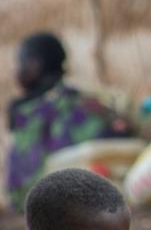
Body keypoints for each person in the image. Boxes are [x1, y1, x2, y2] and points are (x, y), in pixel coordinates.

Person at [6, 33, 131, 209]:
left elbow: (21, 184)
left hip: (42, 203)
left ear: (36, 64)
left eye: (20, 61)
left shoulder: (28, 112)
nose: (16, 69)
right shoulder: (88, 101)